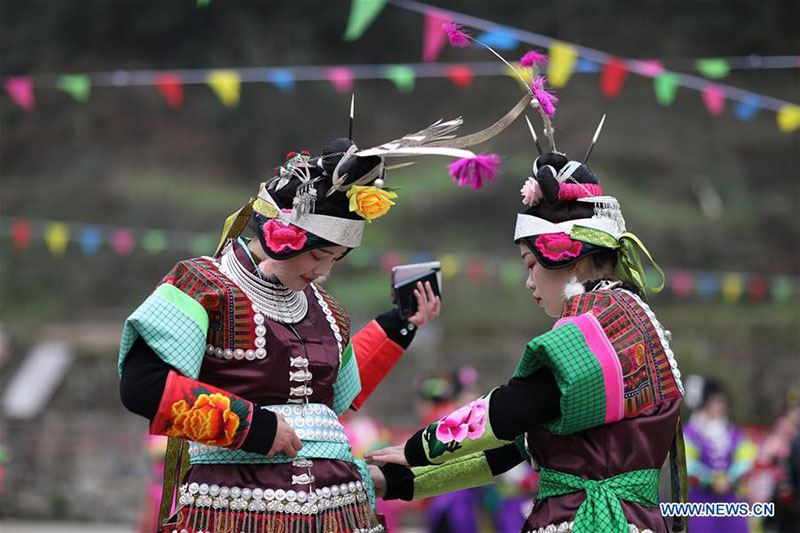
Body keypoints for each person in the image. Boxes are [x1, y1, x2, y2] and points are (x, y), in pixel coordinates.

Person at [118, 99, 530, 532]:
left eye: (335, 259)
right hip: (235, 505)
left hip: (339, 506)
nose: (323, 271)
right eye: (317, 254)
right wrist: (252, 426)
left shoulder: (325, 309)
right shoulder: (200, 285)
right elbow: (142, 387)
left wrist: (400, 323)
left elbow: (336, 395)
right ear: (281, 236)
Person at [367, 144, 687, 532]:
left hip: (590, 520)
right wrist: (399, 480)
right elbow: (513, 445)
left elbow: (513, 408)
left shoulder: (606, 322)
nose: (529, 282)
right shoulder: (626, 316)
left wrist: (421, 446)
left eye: (531, 264)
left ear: (570, 256)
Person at [684, 378, 757, 533]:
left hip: (731, 500)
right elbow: (687, 463)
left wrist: (728, 479)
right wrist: (711, 480)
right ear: (704, 404)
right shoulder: (690, 433)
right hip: (701, 501)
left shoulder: (734, 432)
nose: (719, 407)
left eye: (721, 402)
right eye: (715, 402)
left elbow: (746, 458)